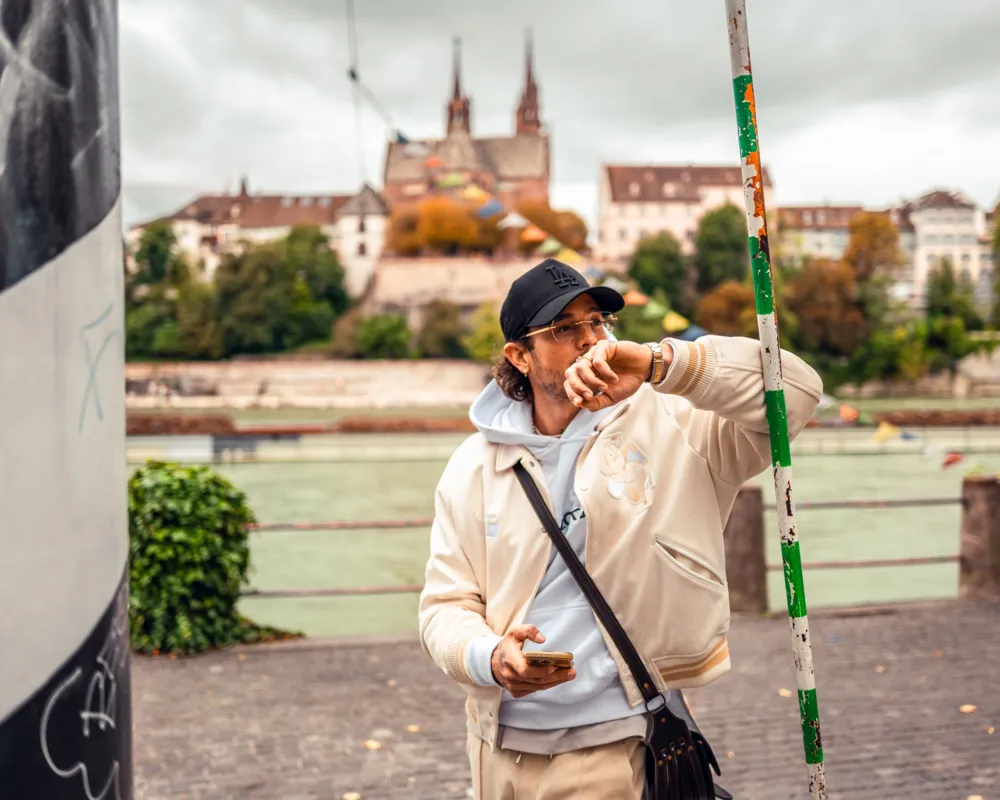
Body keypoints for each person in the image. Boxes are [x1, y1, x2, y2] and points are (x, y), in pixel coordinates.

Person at [418, 258, 822, 798]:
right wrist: (487, 657)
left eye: (597, 323)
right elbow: (445, 606)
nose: (590, 341)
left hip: (613, 741)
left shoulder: (676, 421)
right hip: (494, 747)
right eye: (564, 329)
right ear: (519, 355)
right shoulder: (473, 465)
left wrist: (661, 364)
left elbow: (796, 391)